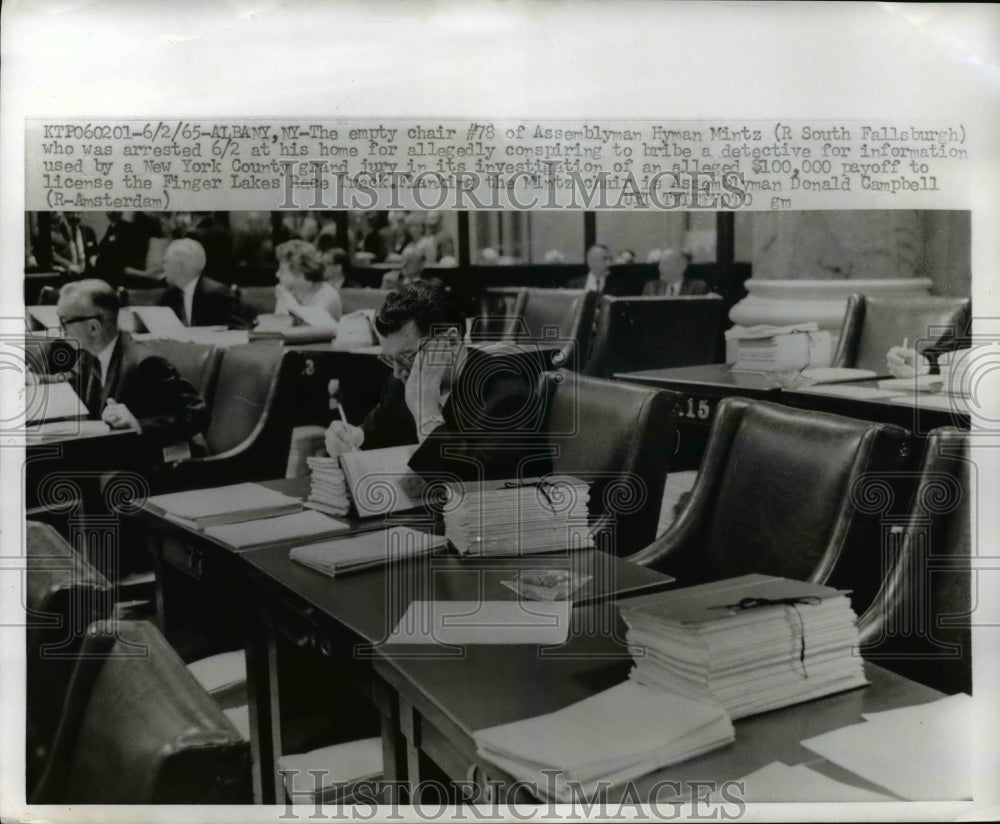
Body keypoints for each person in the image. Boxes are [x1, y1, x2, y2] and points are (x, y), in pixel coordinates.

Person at [324, 281, 549, 481]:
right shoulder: (402, 382)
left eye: (408, 357)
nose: (397, 372)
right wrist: (351, 437)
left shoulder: (507, 393)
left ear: (450, 341)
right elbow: (377, 434)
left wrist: (427, 415)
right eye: (390, 359)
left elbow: (482, 480)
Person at [48, 279, 209, 447]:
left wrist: (139, 424)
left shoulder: (145, 364)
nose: (61, 330)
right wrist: (35, 380)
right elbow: (73, 380)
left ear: (93, 328)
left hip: (158, 462)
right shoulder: (91, 356)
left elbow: (197, 413)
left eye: (64, 321)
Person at [158, 238, 256, 329]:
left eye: (166, 262)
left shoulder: (217, 294)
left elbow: (240, 329)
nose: (163, 267)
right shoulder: (170, 295)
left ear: (181, 266)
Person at [274, 239, 343, 322]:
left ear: (301, 272)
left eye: (282, 271)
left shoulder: (328, 294)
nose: (277, 274)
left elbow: (312, 324)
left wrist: (287, 299)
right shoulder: (288, 293)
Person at [642, 248, 709, 296]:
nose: (660, 268)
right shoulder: (651, 287)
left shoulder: (698, 288)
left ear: (682, 267)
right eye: (660, 264)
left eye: (666, 264)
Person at [50, 211, 97, 275]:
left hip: (87, 276)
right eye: (73, 212)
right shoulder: (56, 232)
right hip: (66, 275)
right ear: (66, 213)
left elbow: (94, 252)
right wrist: (69, 265)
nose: (77, 216)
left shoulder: (89, 231)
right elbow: (51, 254)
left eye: (79, 213)